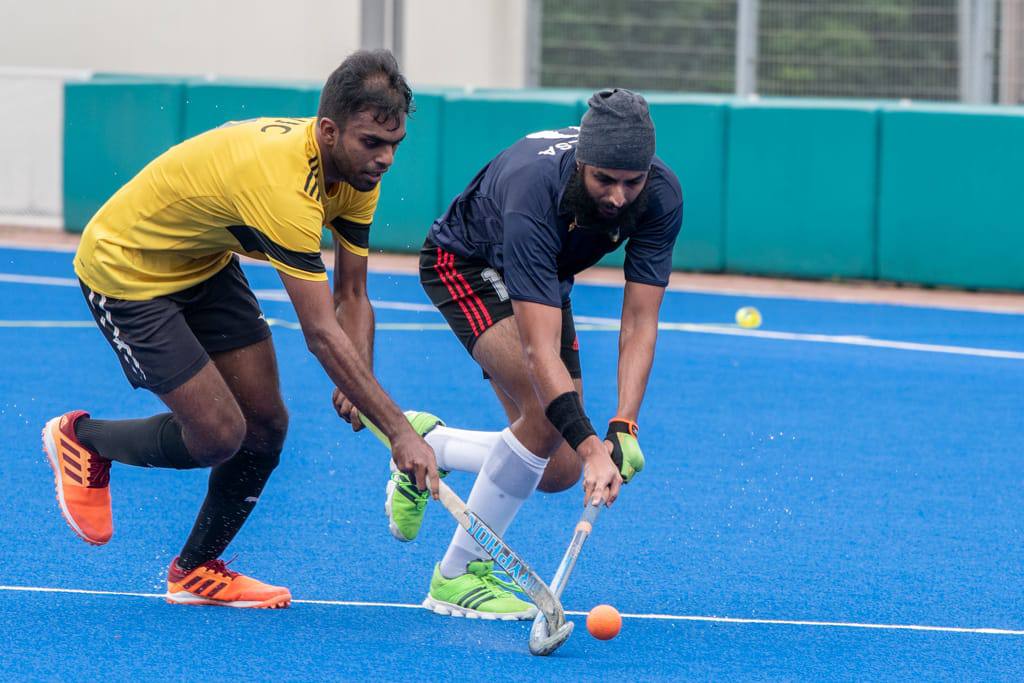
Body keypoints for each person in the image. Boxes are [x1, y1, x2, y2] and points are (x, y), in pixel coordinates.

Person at [41, 49, 439, 609]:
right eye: (372, 143)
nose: (386, 159)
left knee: (266, 425)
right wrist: (399, 430)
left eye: (394, 145)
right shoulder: (286, 186)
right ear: (328, 130)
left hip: (202, 263)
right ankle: (84, 440)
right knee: (219, 434)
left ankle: (196, 569)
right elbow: (322, 330)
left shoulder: (355, 174)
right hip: (127, 269)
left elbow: (353, 294)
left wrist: (361, 379)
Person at [359, 89, 683, 619]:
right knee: (545, 414)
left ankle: (432, 444)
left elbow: (640, 319)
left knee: (555, 469)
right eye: (605, 180)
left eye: (632, 181)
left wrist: (623, 424)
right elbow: (538, 353)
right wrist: (592, 449)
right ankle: (457, 575)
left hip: (542, 278)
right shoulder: (535, 188)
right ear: (582, 163)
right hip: (465, 263)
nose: (619, 197)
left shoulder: (662, 195)